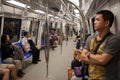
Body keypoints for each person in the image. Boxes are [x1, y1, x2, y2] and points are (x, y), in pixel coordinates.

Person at [77, 10, 120, 80]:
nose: (94, 22)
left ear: (106, 23)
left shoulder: (113, 40)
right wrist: (96, 59)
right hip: (91, 77)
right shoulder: (90, 38)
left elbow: (102, 60)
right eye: (94, 20)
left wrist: (88, 55)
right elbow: (82, 57)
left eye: (98, 20)